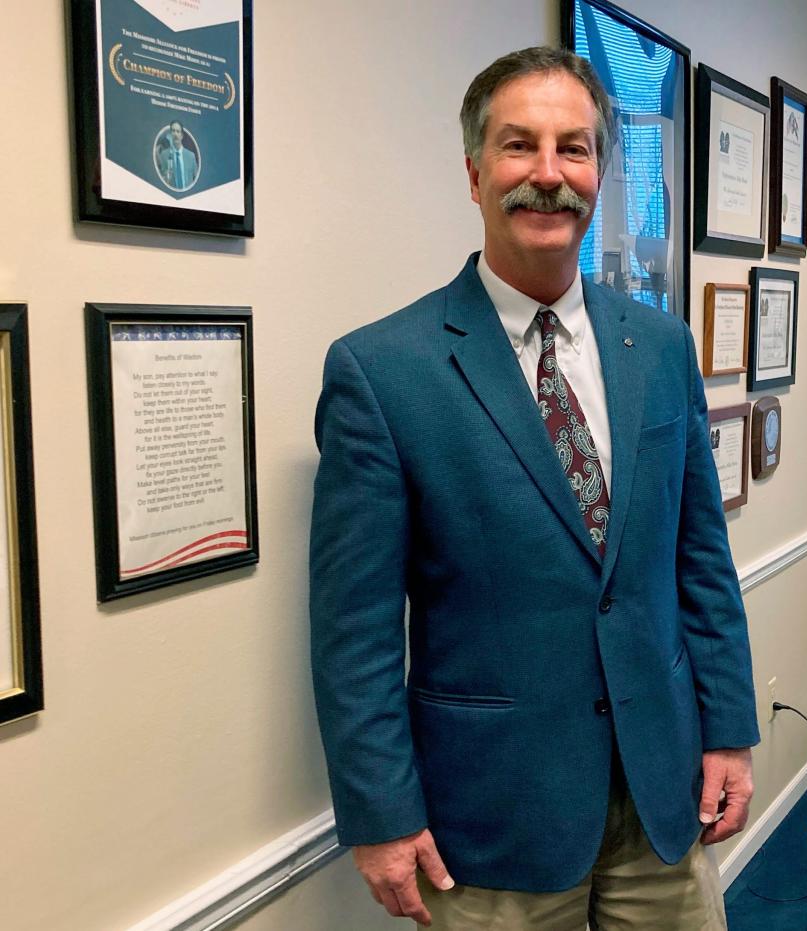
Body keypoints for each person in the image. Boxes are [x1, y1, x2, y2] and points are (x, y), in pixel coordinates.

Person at [309, 46, 759, 929]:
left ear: (600, 172)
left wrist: (727, 729)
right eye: (519, 147)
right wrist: (380, 815)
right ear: (475, 172)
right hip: (492, 816)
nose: (547, 175)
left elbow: (699, 557)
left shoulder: (660, 346)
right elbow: (352, 631)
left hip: (659, 791)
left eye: (574, 148)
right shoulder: (381, 371)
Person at [157, 120, 198, 190]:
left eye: (178, 131)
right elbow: (160, 180)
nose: (175, 134)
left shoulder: (191, 156)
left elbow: (197, 179)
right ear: (170, 134)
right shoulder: (164, 155)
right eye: (173, 131)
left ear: (181, 136)